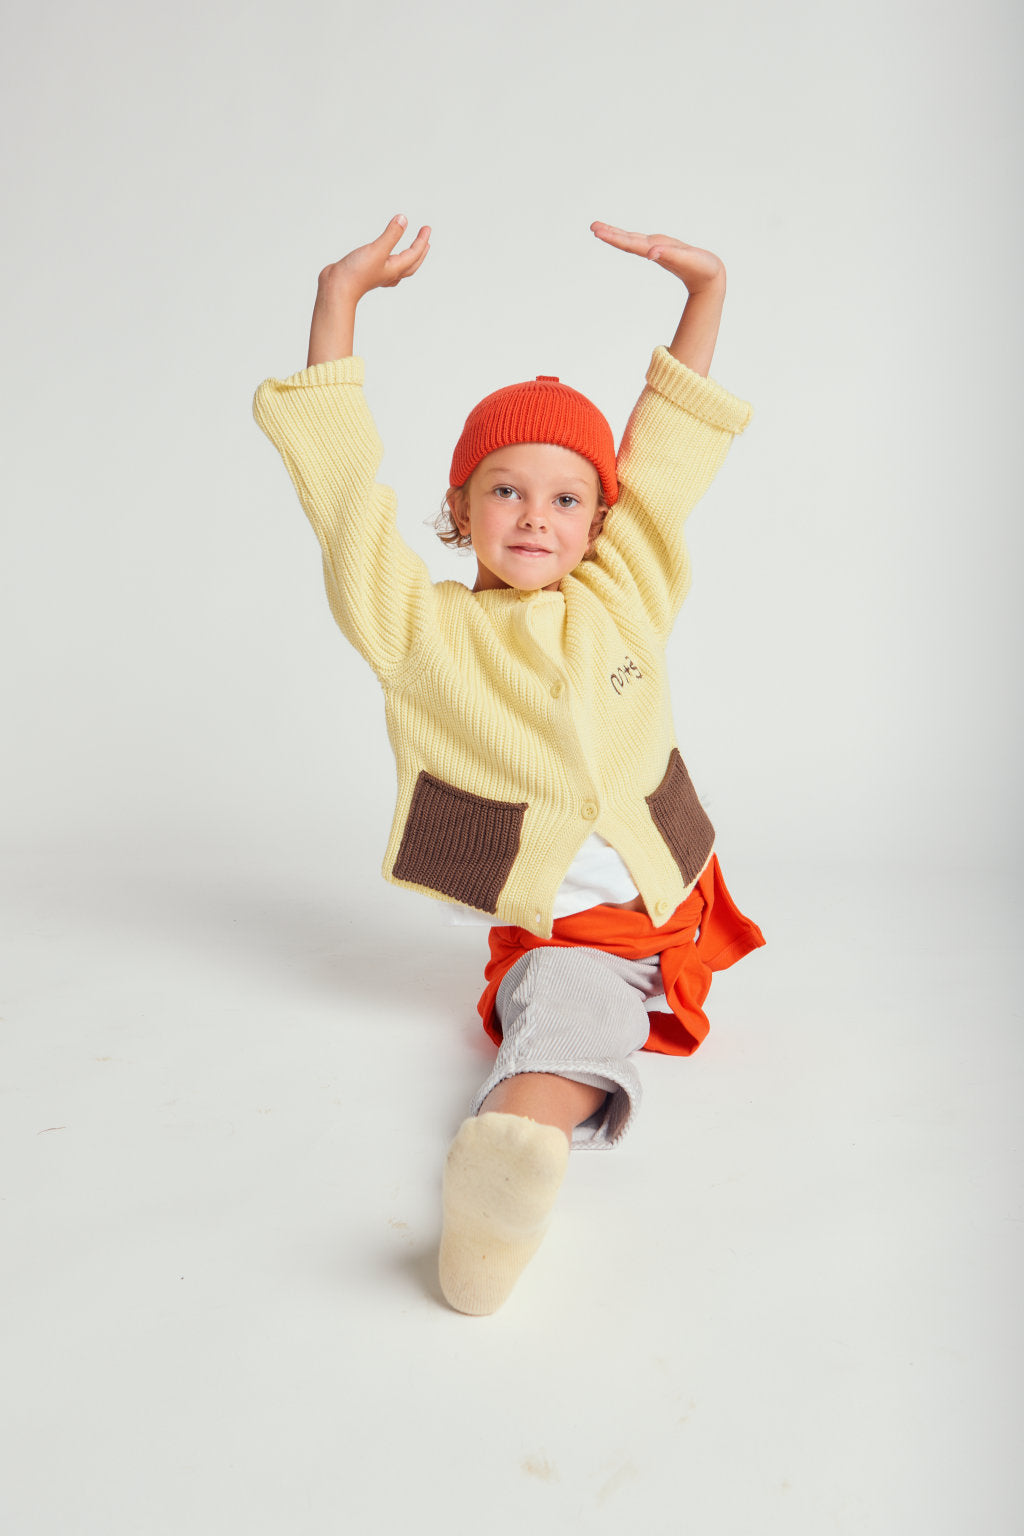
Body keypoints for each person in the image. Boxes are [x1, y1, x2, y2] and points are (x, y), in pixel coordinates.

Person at [253, 215, 765, 1316]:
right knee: (573, 1025)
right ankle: (506, 1169)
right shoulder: (422, 631)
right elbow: (342, 501)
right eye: (505, 490)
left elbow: (670, 459)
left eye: (567, 497)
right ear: (458, 508)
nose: (536, 516)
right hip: (574, 937)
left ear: (601, 520)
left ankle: (528, 1126)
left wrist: (705, 294)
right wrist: (337, 302)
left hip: (682, 897)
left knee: (596, 1006)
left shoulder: (626, 591)